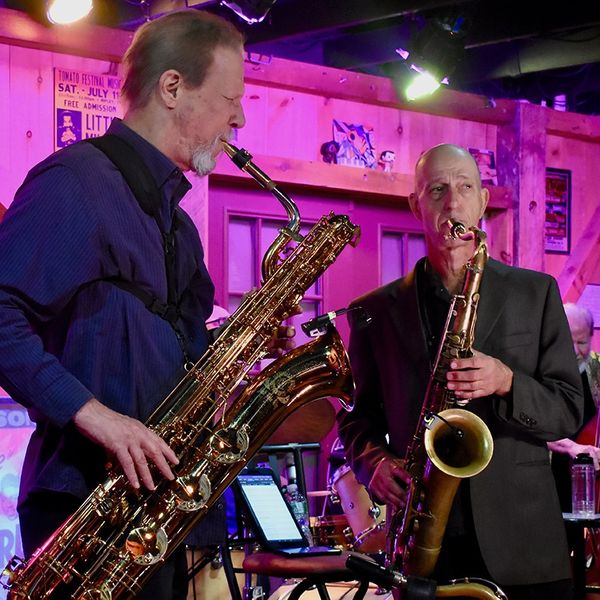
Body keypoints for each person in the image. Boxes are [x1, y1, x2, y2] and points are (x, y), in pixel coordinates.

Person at [0, 10, 293, 599]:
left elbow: (177, 351)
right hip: (86, 510)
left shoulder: (178, 226)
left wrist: (250, 344)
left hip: (156, 512)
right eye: (231, 98)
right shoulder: (74, 182)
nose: (239, 118)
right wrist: (97, 416)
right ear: (172, 87)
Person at [337, 143, 584, 599]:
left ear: (483, 201)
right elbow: (356, 418)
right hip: (423, 548)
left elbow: (569, 411)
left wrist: (506, 382)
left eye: (465, 187)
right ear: (416, 205)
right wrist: (374, 462)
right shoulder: (373, 311)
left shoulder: (537, 293)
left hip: (526, 548)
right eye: (437, 190)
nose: (452, 203)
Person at [549, 303, 600, 512]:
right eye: (567, 342)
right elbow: (528, 425)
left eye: (582, 342)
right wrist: (571, 447)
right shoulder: (535, 373)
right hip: (545, 480)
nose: (575, 352)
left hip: (589, 484)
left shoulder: (596, 370)